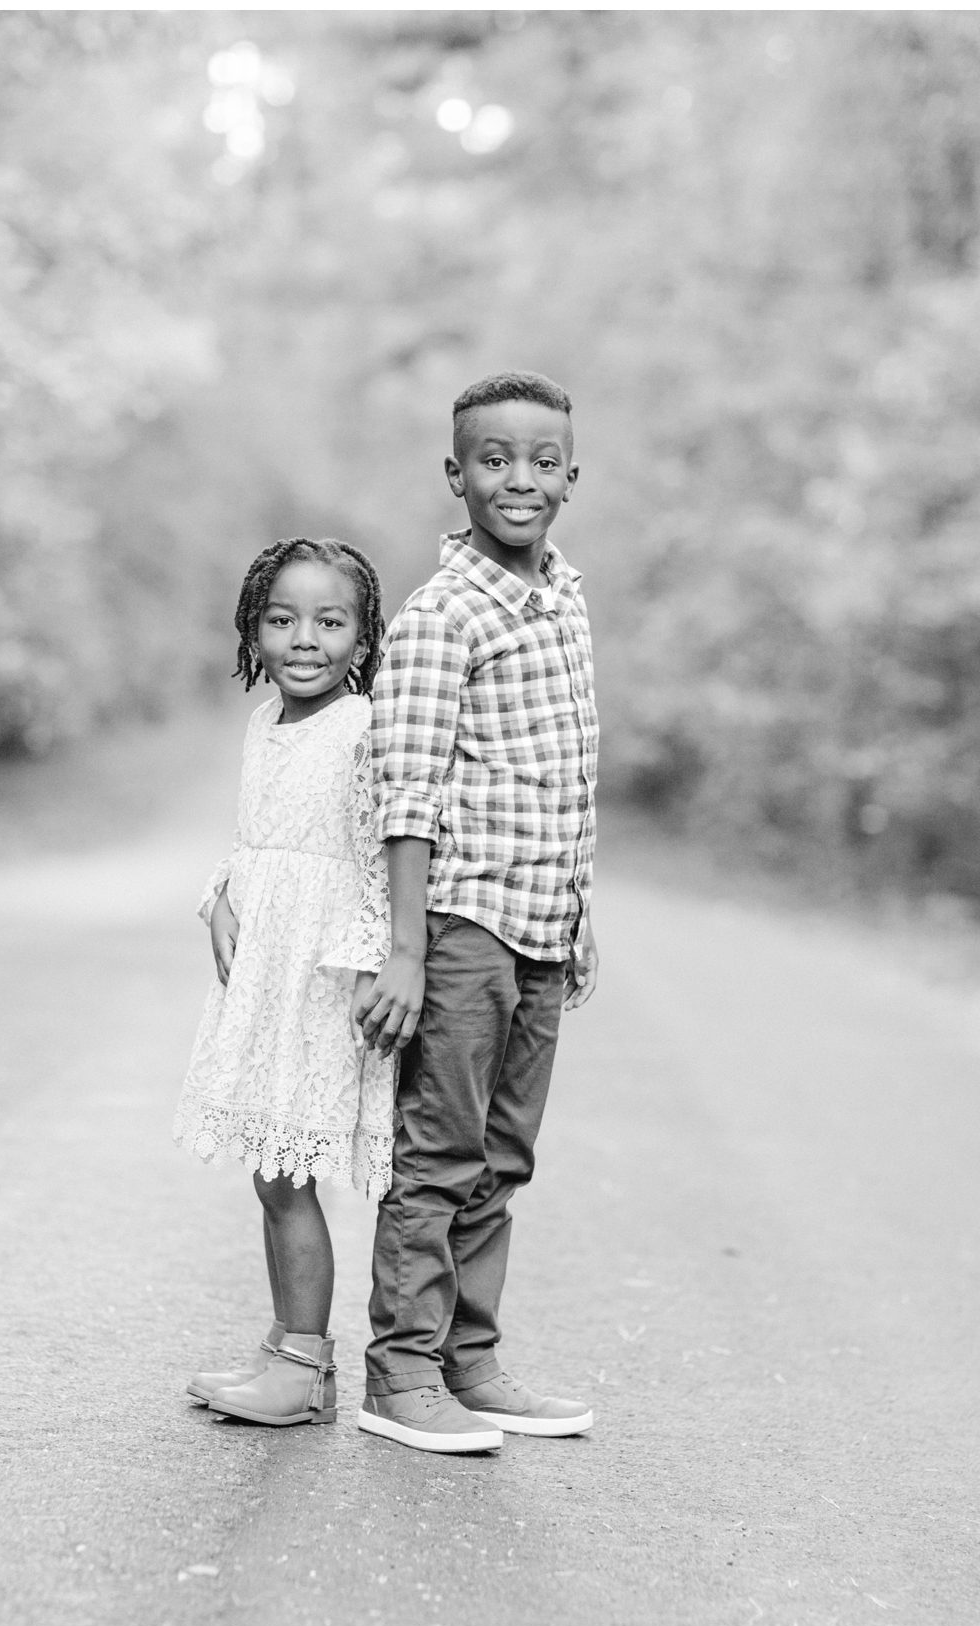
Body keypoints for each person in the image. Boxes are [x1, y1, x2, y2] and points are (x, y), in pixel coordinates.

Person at [352, 370, 600, 1455]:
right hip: (462, 927)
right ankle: (398, 1371)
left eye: (541, 461)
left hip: (543, 922)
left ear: (570, 479)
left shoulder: (565, 597)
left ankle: (472, 1360)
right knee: (440, 1152)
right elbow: (406, 791)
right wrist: (405, 951)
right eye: (493, 459)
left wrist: (581, 904)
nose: (519, 479)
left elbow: (562, 773)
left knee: (504, 1155)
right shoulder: (440, 615)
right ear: (454, 475)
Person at [175, 537, 395, 1428]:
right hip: (263, 973)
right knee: (271, 1174)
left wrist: (379, 965)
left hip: (322, 981)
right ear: (253, 631)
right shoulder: (264, 722)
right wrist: (218, 894)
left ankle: (304, 1362)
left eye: (330, 621)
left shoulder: (363, 730)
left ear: (363, 634)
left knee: (288, 1171)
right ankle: (288, 1350)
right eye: (282, 619)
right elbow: (257, 839)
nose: (305, 639)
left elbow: (383, 858)